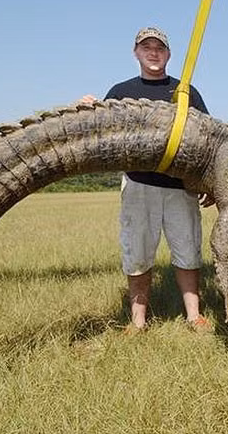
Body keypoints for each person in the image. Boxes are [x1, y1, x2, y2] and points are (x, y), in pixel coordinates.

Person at [80, 26, 211, 333]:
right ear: (135, 52)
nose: (154, 52)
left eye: (159, 48)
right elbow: (101, 132)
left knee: (188, 251)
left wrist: (208, 183)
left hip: (181, 187)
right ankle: (138, 322)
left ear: (169, 53)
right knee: (138, 254)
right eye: (147, 47)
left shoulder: (186, 91)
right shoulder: (120, 92)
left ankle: (194, 315)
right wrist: (86, 110)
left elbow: (206, 139)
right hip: (139, 186)